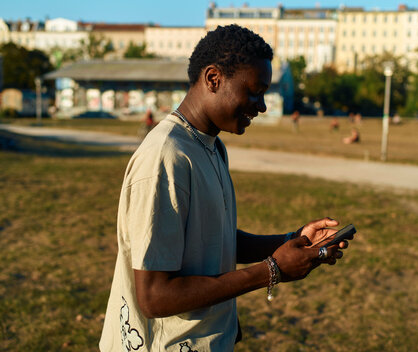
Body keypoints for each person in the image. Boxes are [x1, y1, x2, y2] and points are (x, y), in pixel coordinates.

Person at [99, 25, 353, 352]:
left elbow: (213, 240)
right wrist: (271, 271)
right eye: (254, 91)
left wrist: (294, 240)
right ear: (214, 79)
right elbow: (153, 297)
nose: (261, 106)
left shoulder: (211, 146)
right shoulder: (165, 156)